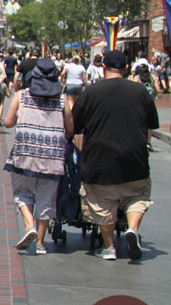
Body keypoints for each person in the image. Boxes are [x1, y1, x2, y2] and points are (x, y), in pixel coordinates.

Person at [65, 50, 159, 261]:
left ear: (104, 67)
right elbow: (152, 123)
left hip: (100, 161)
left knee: (101, 202)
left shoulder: (90, 92)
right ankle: (132, 229)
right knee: (137, 196)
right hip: (135, 160)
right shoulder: (140, 91)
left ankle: (109, 247)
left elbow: (76, 126)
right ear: (126, 68)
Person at [3, 58, 66, 255]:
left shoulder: (22, 96)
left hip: (25, 154)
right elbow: (70, 128)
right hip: (53, 157)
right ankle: (40, 243)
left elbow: (8, 122)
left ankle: (29, 226)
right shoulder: (63, 100)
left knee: (23, 193)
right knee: (46, 199)